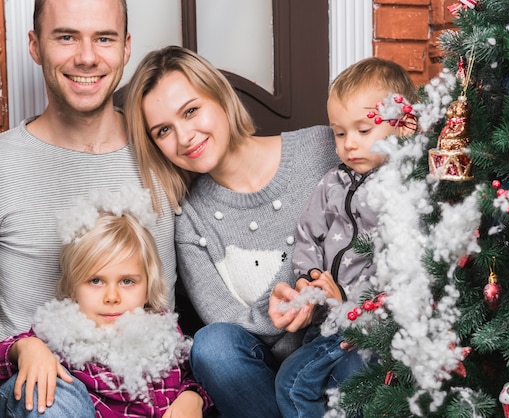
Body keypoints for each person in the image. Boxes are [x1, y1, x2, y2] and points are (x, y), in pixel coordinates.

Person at [123, 45, 340, 417]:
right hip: (258, 381)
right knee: (211, 345)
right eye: (163, 130)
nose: (185, 136)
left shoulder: (323, 149)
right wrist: (278, 311)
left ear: (219, 96)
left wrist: (326, 299)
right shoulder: (188, 217)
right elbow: (223, 322)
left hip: (336, 356)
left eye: (191, 111)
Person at [0, 0, 176, 415]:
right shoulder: (3, 164)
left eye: (104, 38)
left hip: (145, 391)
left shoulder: (166, 151)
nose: (86, 57)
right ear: (35, 45)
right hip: (42, 391)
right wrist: (21, 349)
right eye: (66, 37)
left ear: (126, 47)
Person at [272, 57, 418, 417]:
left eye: (363, 131)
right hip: (324, 323)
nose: (349, 144)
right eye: (340, 133)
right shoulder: (331, 184)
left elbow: (399, 265)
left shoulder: (406, 190)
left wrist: (349, 304)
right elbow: (307, 236)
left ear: (402, 127)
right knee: (310, 390)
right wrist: (310, 280)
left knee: (297, 383)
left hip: (372, 331)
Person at [0, 185, 212, 417]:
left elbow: (195, 377)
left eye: (127, 281)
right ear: (72, 289)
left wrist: (193, 396)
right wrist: (24, 348)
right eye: (96, 281)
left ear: (147, 288)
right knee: (43, 388)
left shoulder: (164, 331)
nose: (112, 297)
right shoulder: (57, 333)